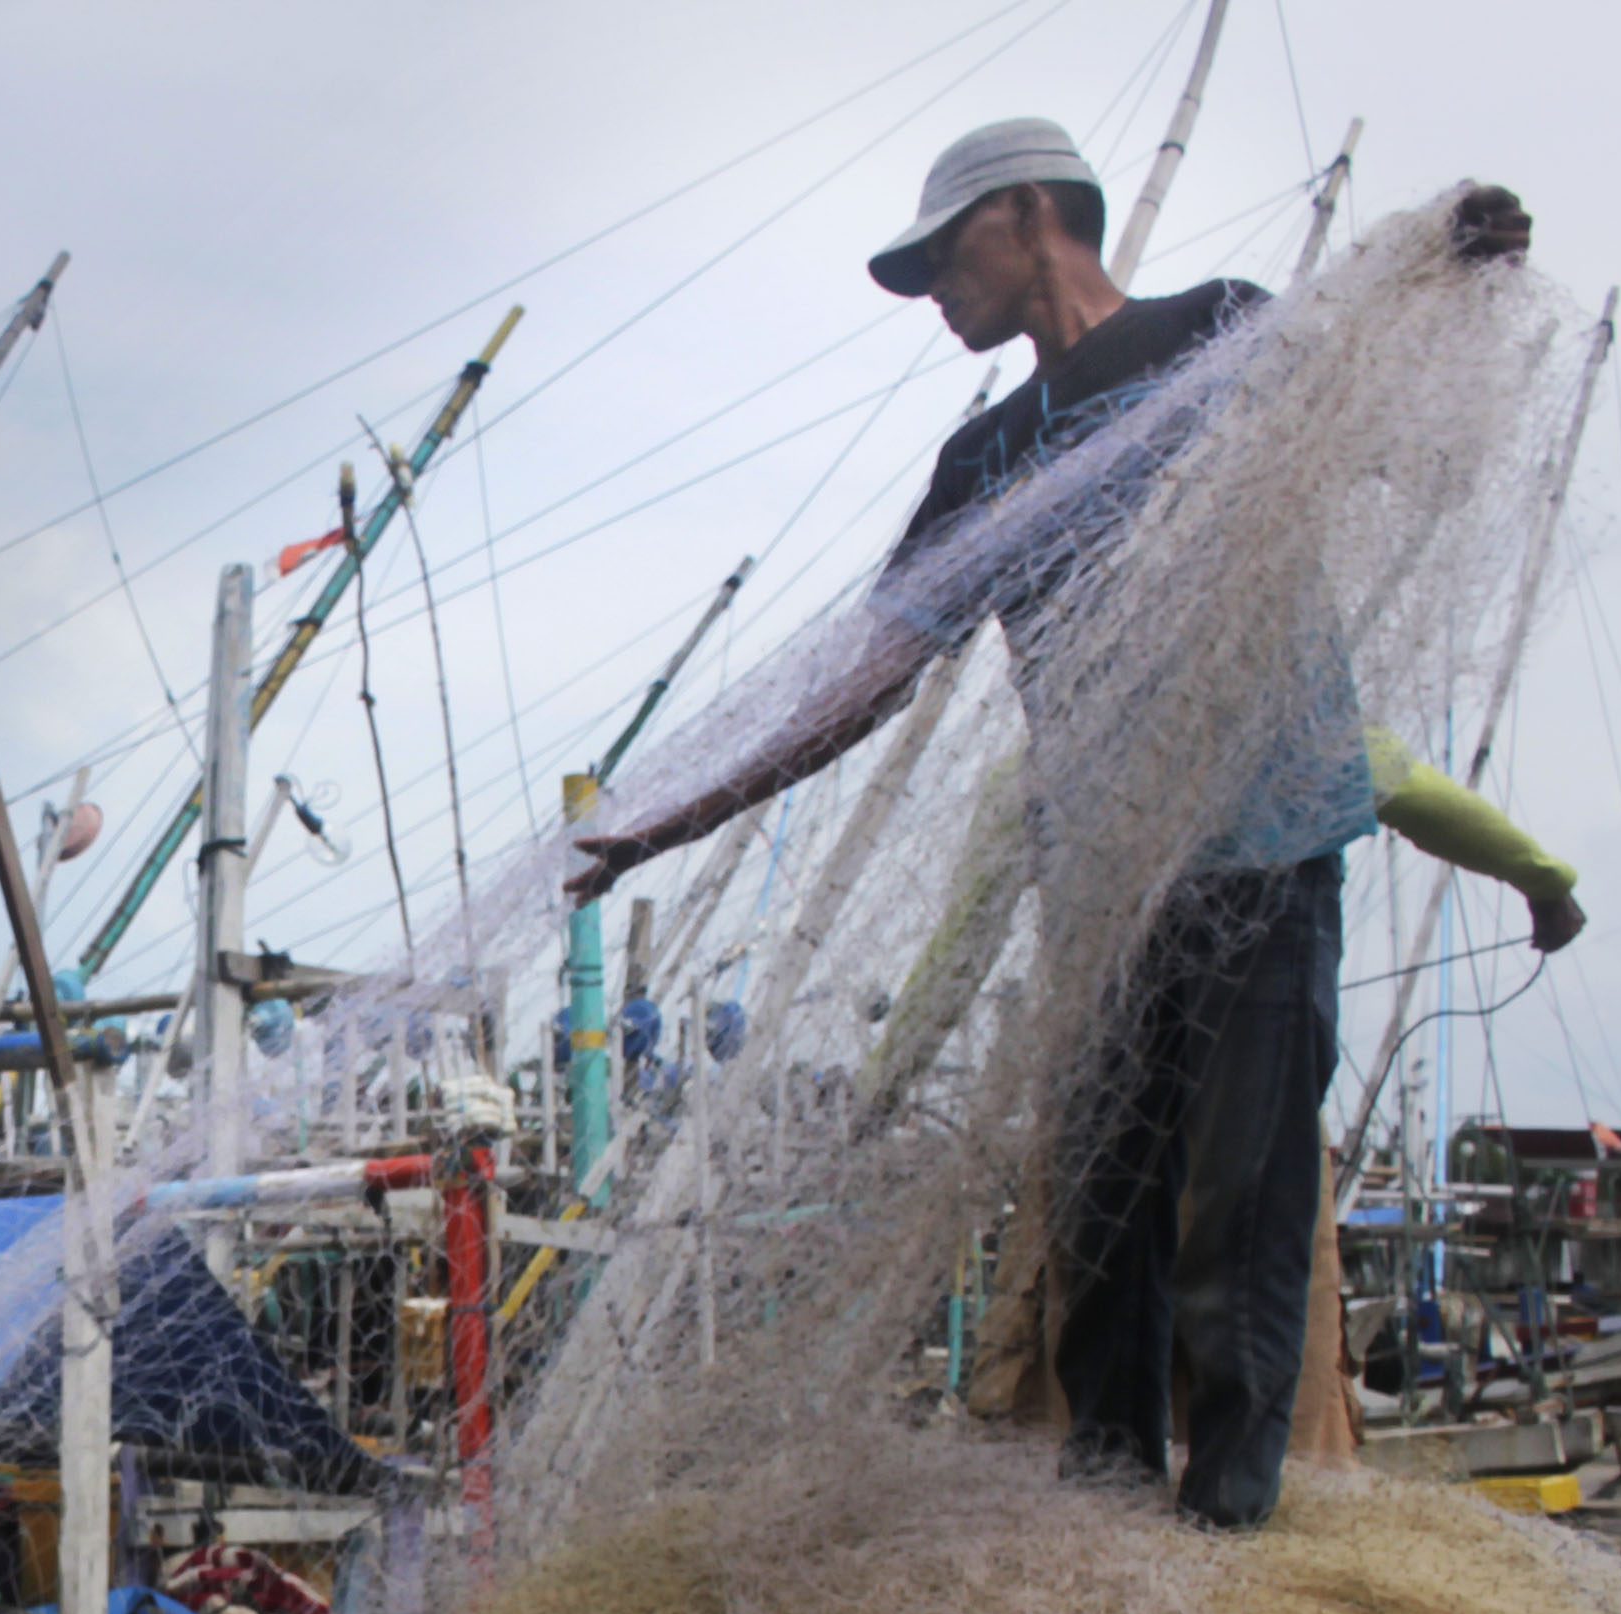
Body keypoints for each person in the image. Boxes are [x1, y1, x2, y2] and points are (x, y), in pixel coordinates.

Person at [569, 120, 1538, 1530]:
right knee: (1104, 1220)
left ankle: (1227, 1531)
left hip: (1266, 851)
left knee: (1245, 1210)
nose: (929, 292)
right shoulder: (988, 460)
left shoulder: (1217, 335)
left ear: (1030, 216)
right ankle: (1100, 1514)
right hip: (1102, 882)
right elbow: (870, 675)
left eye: (940, 253)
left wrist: (1450, 259)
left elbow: (1372, 379)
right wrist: (670, 817)